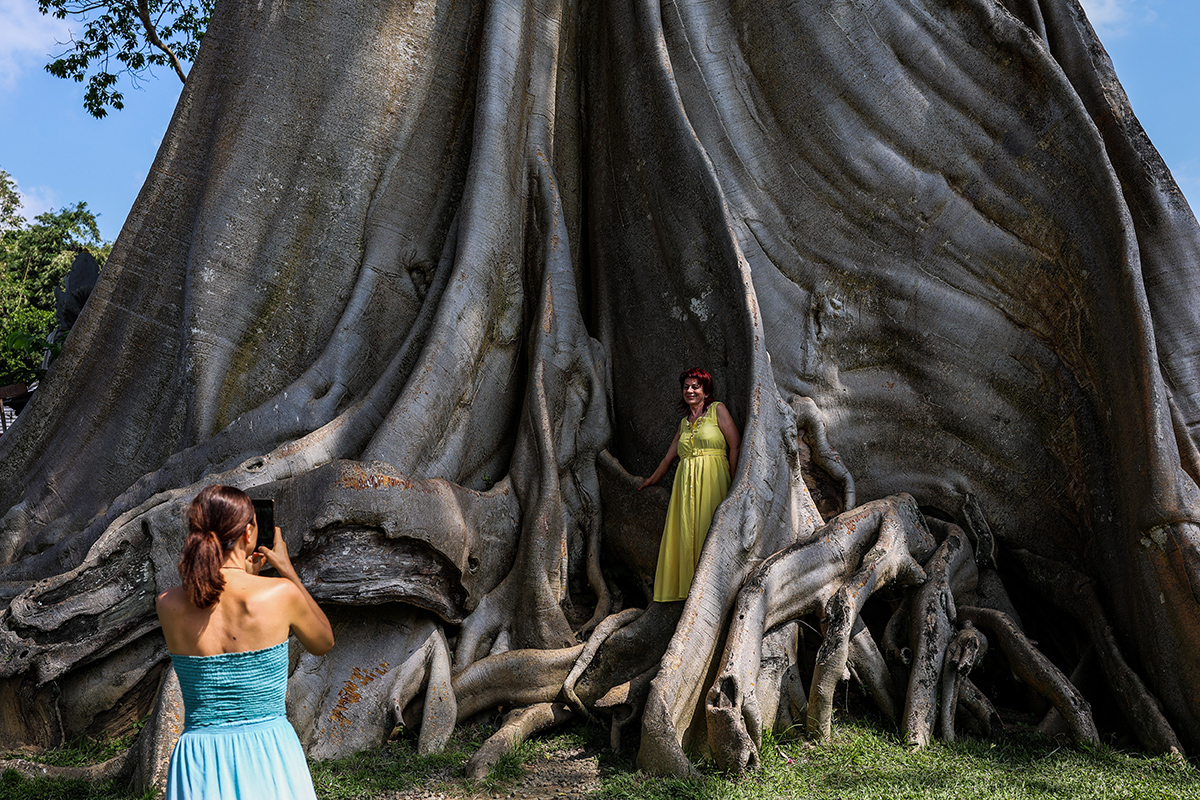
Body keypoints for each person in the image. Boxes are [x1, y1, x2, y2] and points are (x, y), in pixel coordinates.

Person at [156, 484, 335, 800]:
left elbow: (212, 594)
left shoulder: (167, 604)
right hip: (267, 750)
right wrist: (287, 571)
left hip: (200, 758)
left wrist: (240, 573)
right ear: (249, 533)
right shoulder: (279, 594)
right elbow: (323, 641)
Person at [638, 368, 741, 601]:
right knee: (686, 533)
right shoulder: (684, 423)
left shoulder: (718, 410)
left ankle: (715, 591)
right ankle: (690, 592)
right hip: (685, 487)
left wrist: (736, 484)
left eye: (695, 386)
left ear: (706, 391)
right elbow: (668, 459)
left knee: (709, 531)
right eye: (686, 387)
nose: (690, 390)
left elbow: (735, 446)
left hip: (714, 480)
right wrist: (650, 481)